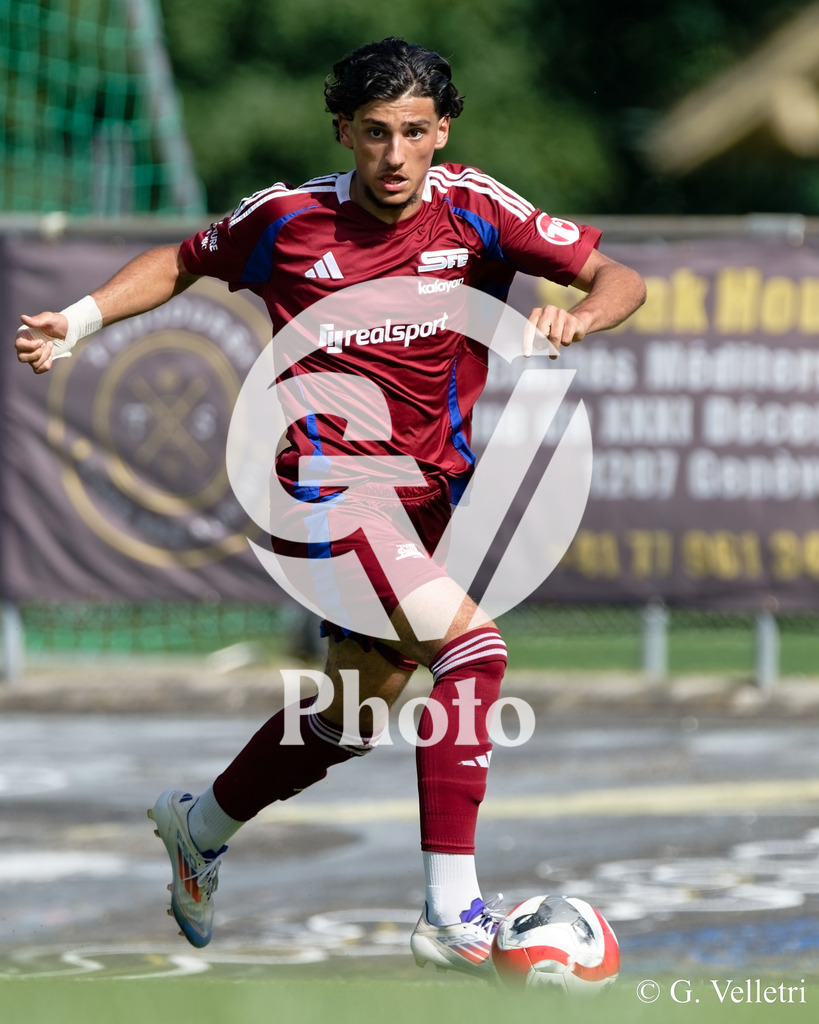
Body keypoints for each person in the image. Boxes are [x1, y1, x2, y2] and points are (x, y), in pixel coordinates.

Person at [15, 37, 645, 978]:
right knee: (476, 649)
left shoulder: (474, 208)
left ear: (442, 131)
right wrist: (79, 320)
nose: (396, 155)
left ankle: (199, 826)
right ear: (343, 130)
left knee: (356, 712)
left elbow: (615, 275)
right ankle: (449, 912)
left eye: (416, 133)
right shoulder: (288, 219)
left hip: (426, 498)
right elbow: (181, 261)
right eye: (376, 133)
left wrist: (580, 314)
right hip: (315, 487)